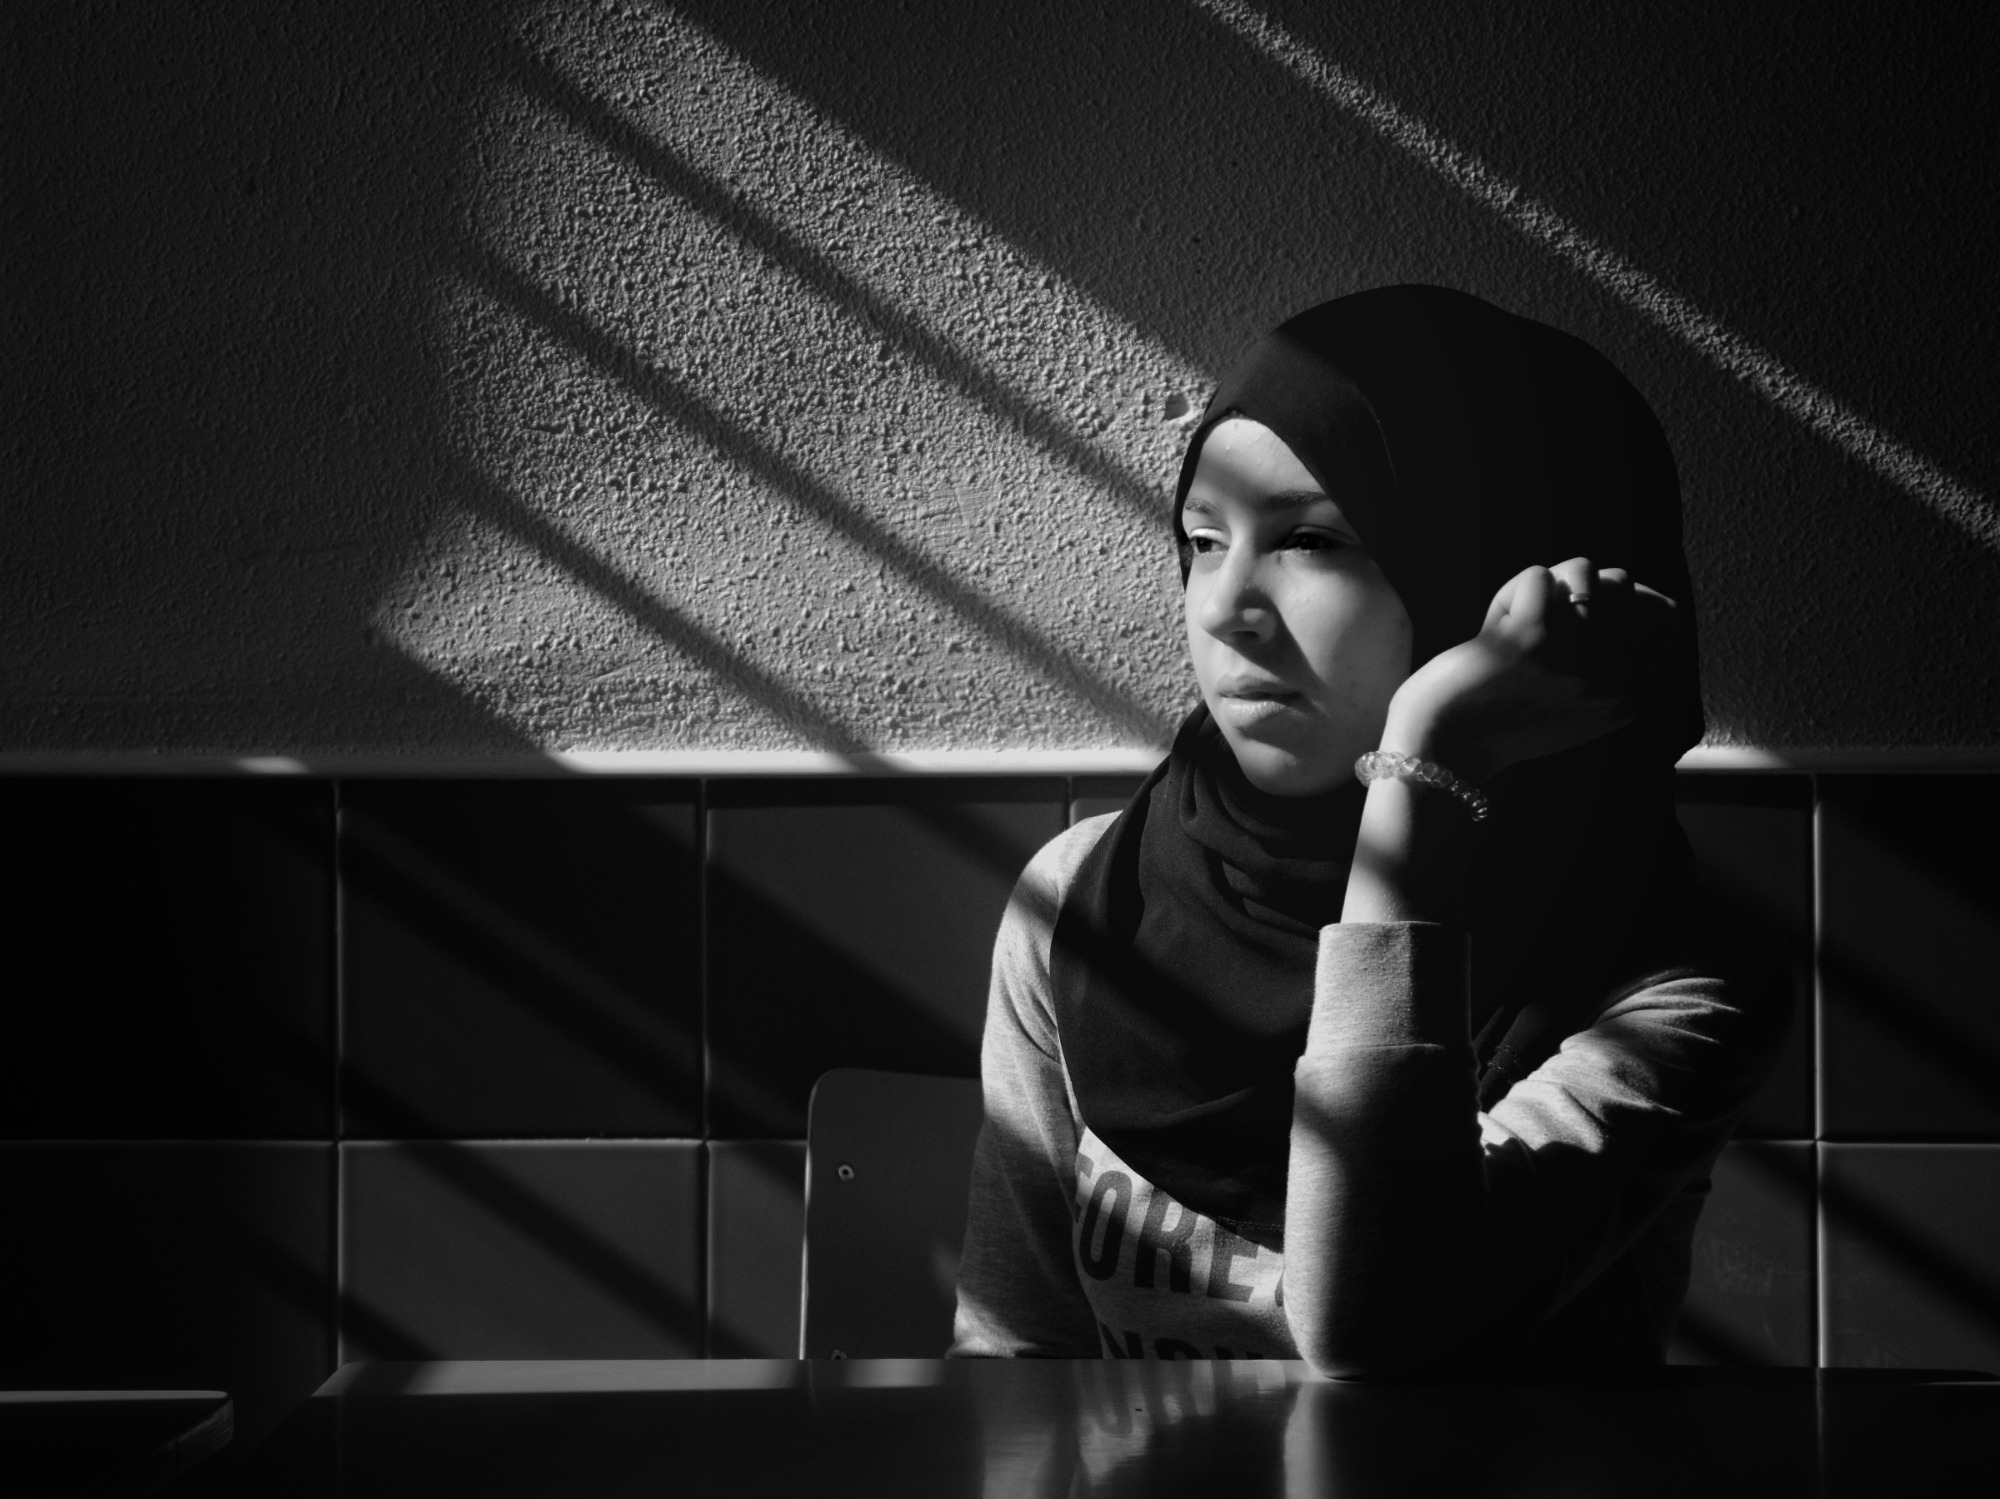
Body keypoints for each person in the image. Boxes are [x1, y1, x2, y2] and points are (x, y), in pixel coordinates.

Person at [949, 285, 1791, 1376]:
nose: (1223, 606)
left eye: (1309, 538)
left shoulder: (1674, 970)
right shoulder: (1084, 901)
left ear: (1489, 566)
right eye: (1202, 539)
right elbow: (1012, 1367)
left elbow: (1383, 1334)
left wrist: (1430, 763)